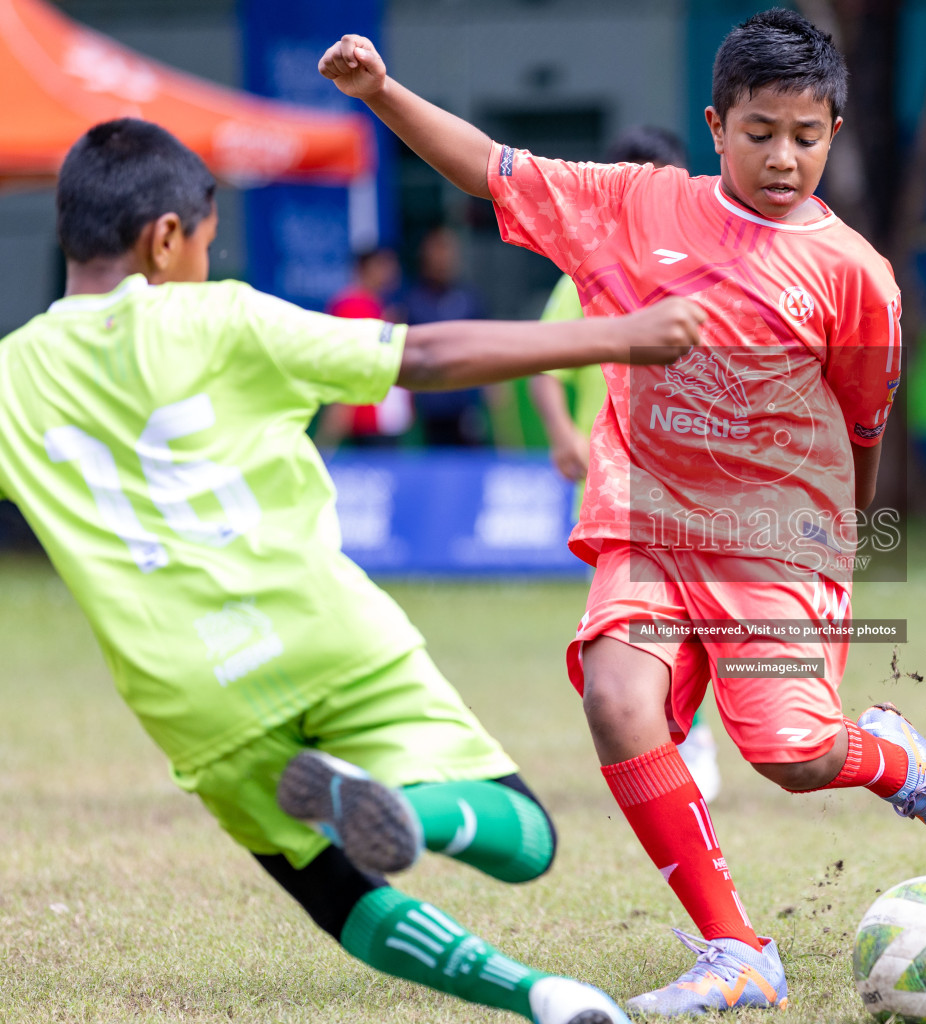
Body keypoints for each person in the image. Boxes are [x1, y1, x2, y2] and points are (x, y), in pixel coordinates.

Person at [319, 8, 926, 1014]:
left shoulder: (858, 277)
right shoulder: (637, 205)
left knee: (790, 754)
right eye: (760, 132)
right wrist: (379, 93)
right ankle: (737, 949)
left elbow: (862, 428)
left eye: (806, 137)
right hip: (650, 526)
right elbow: (491, 167)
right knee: (616, 699)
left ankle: (887, 751)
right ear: (716, 126)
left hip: (780, 544)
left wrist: (843, 545)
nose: (782, 156)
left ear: (834, 136)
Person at [0, 118, 704, 1023]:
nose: (207, 267)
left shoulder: (12, 378)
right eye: (206, 248)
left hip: (189, 695)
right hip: (324, 632)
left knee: (337, 892)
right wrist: (621, 338)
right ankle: (422, 813)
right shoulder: (221, 316)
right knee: (525, 836)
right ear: (166, 238)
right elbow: (424, 355)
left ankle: (543, 1000)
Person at [528, 125, 724, 803]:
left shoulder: (713, 271)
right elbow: (545, 364)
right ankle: (671, 727)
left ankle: (689, 729)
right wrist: (561, 434)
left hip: (691, 478)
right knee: (627, 626)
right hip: (613, 481)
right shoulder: (586, 274)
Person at [401, 226, 497, 446]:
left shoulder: (469, 298)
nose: (444, 258)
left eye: (449, 251)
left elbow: (487, 348)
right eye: (438, 251)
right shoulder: (412, 301)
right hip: (428, 411)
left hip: (467, 407)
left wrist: (495, 395)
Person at [316, 247, 413, 449]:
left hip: (384, 415)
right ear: (364, 268)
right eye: (382, 264)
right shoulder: (353, 304)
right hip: (364, 414)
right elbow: (352, 362)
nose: (391, 271)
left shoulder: (381, 304)